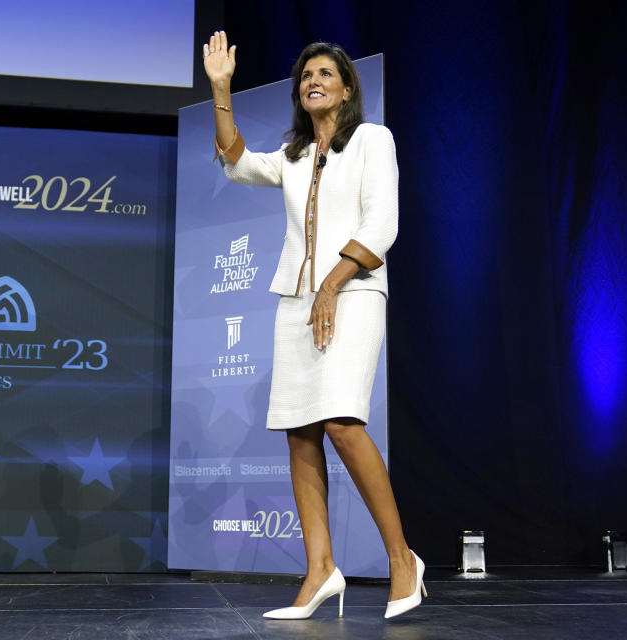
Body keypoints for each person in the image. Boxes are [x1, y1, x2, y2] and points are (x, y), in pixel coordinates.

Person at [203, 32, 425, 620]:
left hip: (352, 292)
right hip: (296, 301)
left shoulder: (373, 140)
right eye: (306, 77)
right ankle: (320, 570)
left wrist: (331, 284)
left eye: (326, 74)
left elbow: (383, 220)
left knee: (342, 422)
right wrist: (222, 89)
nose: (314, 81)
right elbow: (237, 161)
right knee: (301, 431)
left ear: (346, 88)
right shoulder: (295, 155)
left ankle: (403, 560)